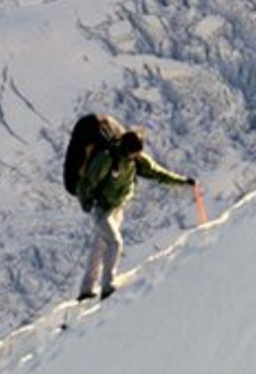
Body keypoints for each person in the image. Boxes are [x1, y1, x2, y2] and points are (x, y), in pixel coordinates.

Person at [75, 116, 196, 301]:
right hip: (100, 208)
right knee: (115, 243)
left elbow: (157, 173)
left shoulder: (135, 160)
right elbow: (88, 182)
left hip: (116, 208)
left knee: (99, 246)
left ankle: (86, 290)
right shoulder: (107, 159)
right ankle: (107, 287)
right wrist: (86, 201)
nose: (137, 156)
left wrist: (182, 181)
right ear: (127, 149)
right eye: (135, 153)